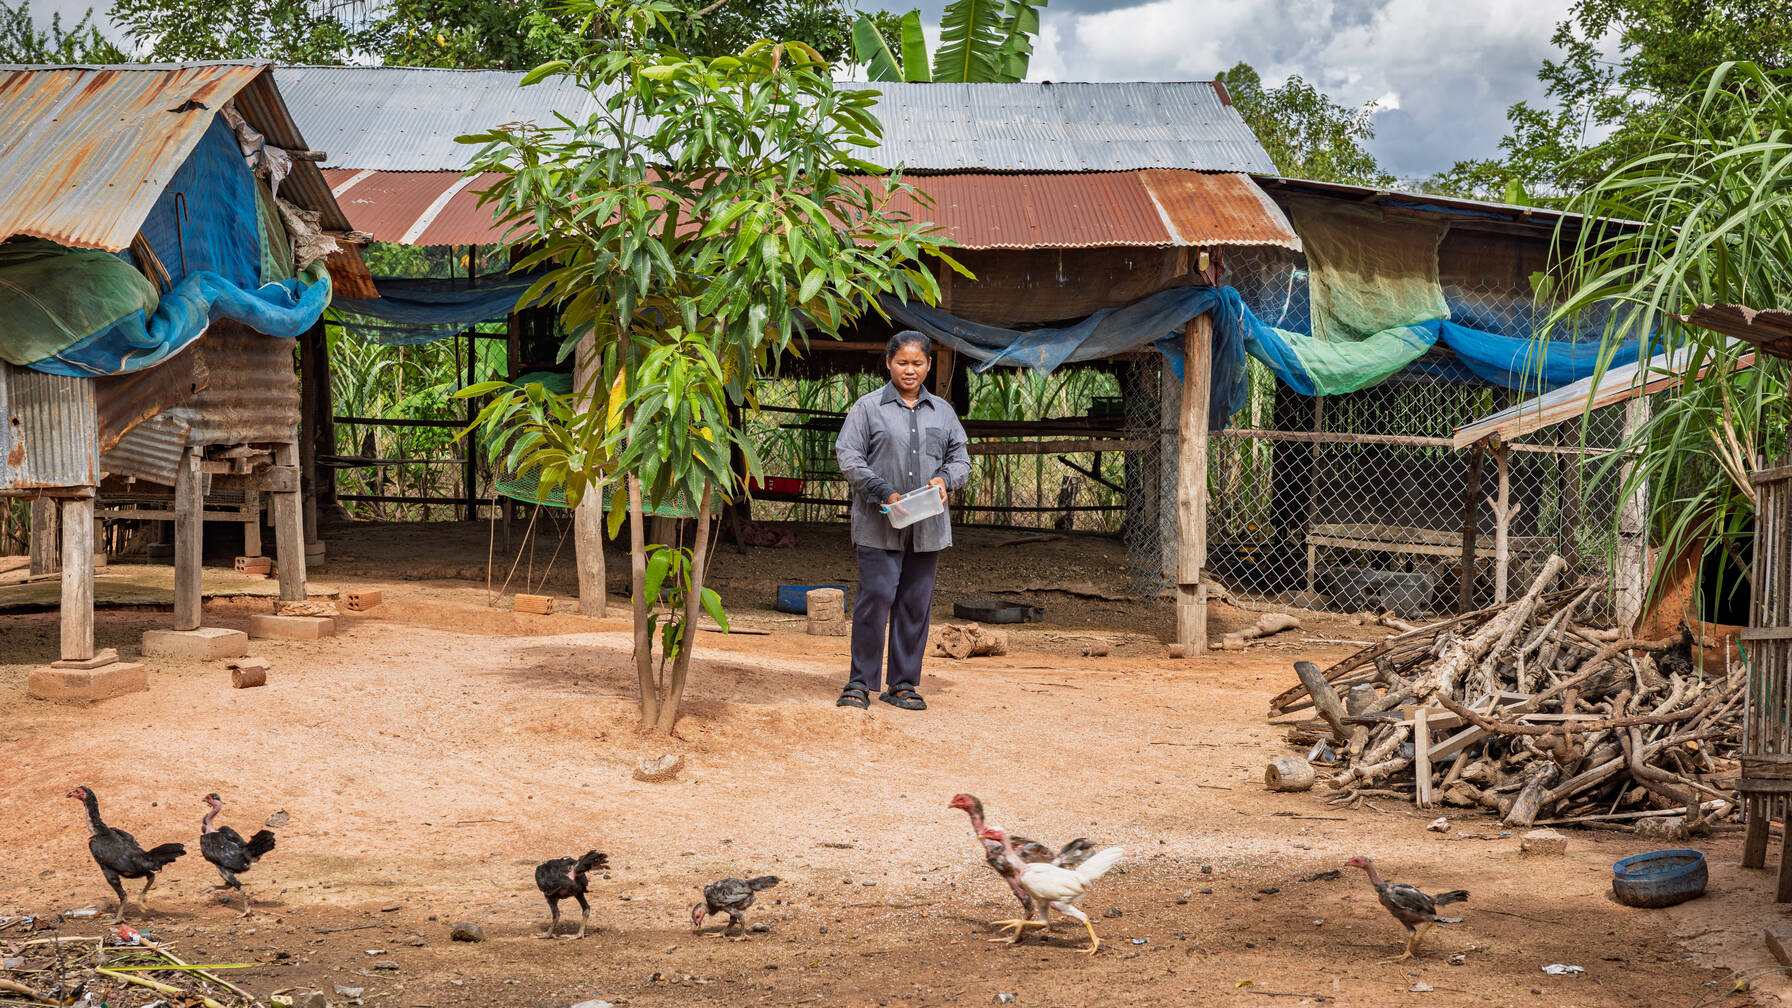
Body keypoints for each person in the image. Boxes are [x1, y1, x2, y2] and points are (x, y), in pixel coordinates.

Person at [833, 330, 970, 711]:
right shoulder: (867, 408)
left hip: (927, 527)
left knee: (914, 604)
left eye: (917, 363)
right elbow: (849, 456)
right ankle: (860, 682)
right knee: (876, 598)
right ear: (889, 363)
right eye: (902, 362)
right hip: (879, 522)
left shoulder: (943, 412)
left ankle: (902, 684)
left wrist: (945, 479)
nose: (910, 370)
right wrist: (882, 490)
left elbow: (961, 459)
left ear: (929, 365)